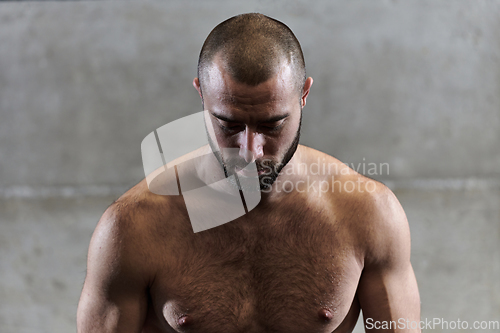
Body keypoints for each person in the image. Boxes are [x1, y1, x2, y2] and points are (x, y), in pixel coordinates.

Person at [77, 13, 421, 333]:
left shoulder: (369, 214)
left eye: (272, 125)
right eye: (229, 124)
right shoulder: (133, 228)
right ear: (201, 94)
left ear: (303, 94)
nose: (250, 151)